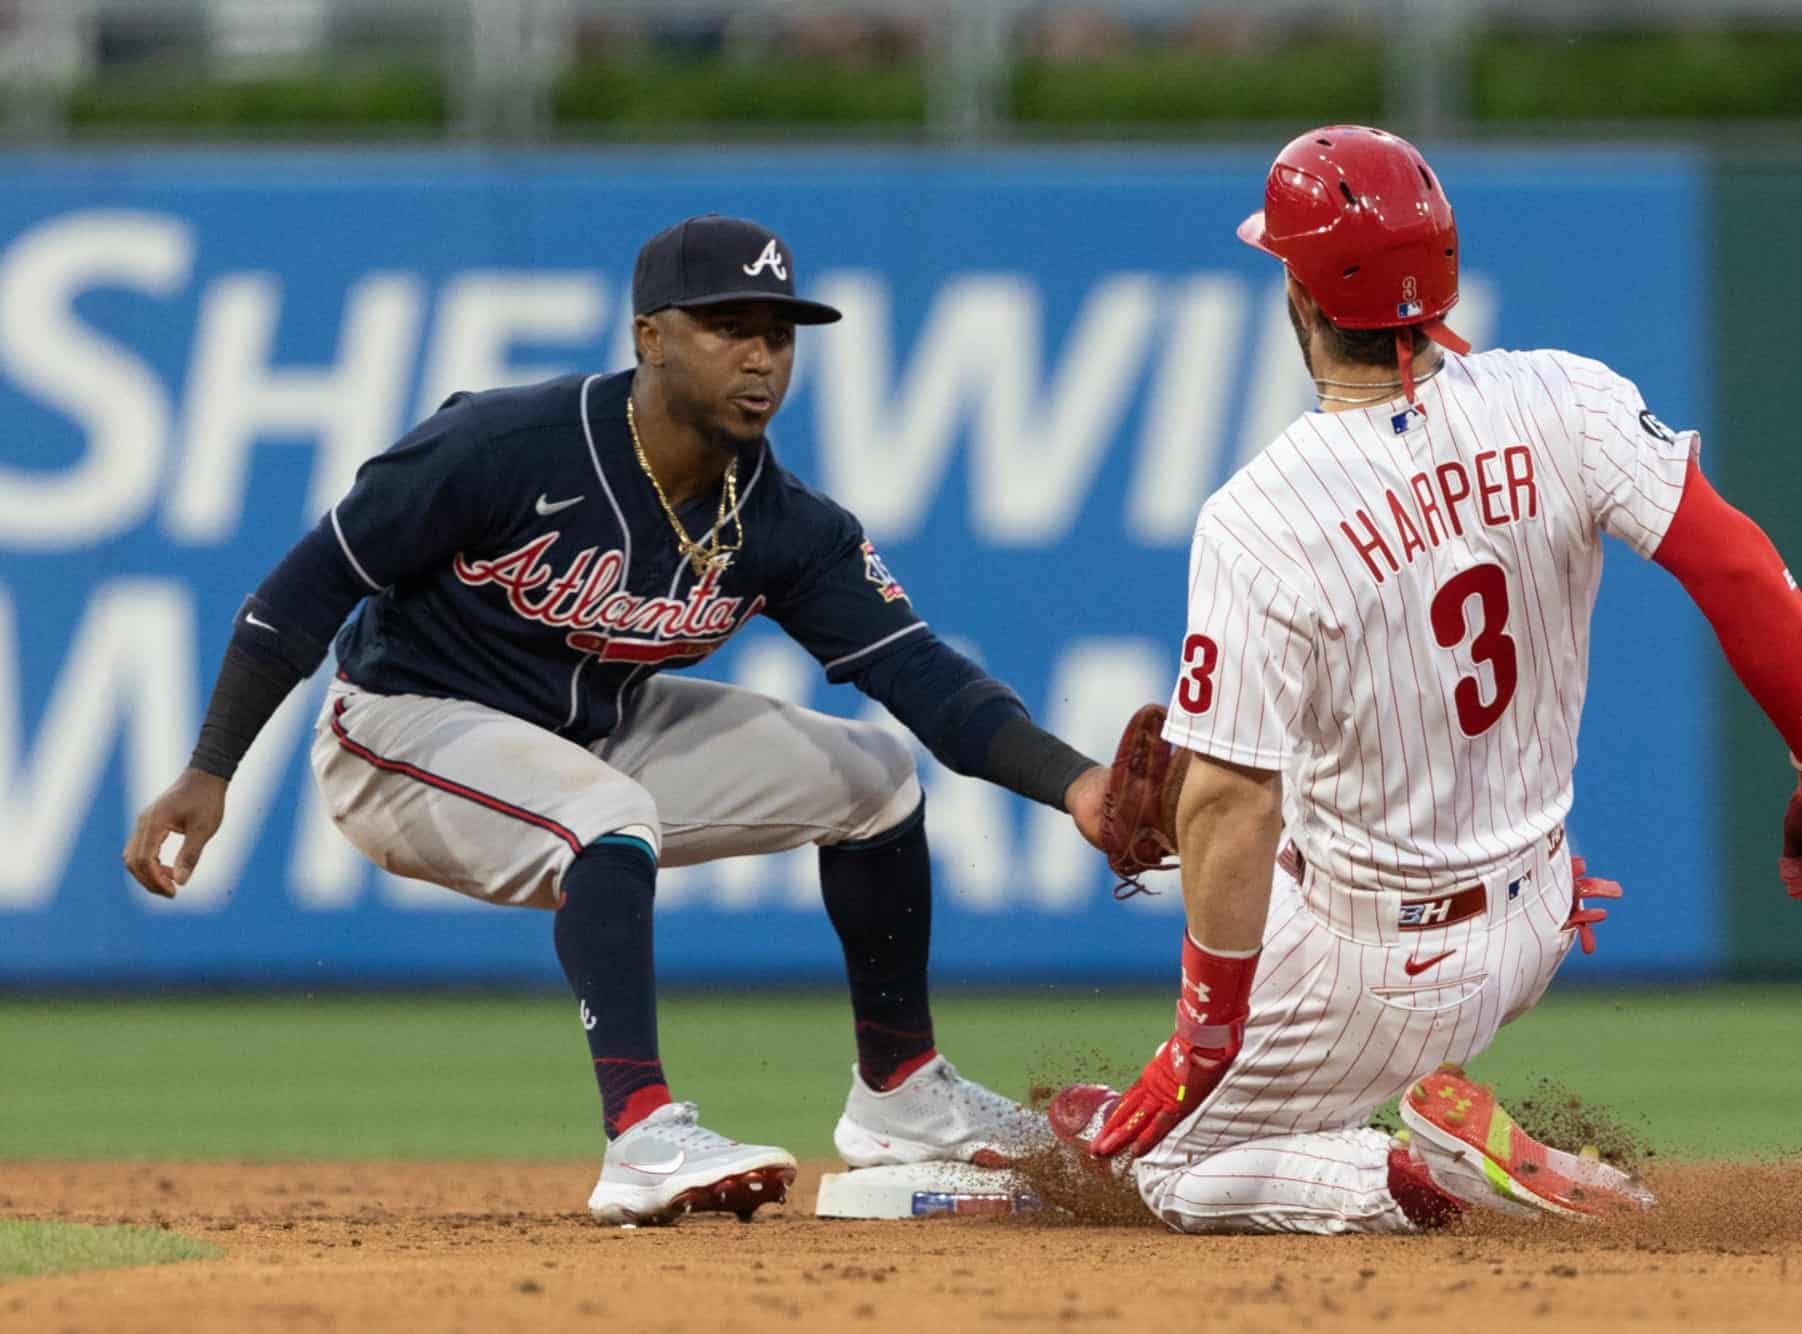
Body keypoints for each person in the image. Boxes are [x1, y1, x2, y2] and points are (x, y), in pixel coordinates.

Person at [123, 214, 1110, 1226]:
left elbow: (920, 672)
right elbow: (312, 580)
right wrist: (211, 767)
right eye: (729, 325)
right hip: (400, 732)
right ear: (649, 336)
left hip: (592, 729)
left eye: (778, 333)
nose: (760, 356)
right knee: (607, 813)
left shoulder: (776, 520)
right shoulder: (503, 447)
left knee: (873, 775)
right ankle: (640, 1129)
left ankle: (901, 1089)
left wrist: (1078, 783)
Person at [1050, 126, 1802, 1233]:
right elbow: (1737, 568)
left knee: (1151, 1166)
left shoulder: (1262, 515)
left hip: (1376, 959)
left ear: (1298, 295)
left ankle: (1403, 1173)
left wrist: (1198, 1040)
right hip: (1538, 913)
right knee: (1276, 930)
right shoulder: (1565, 400)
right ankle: (1517, 1170)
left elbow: (1230, 803)